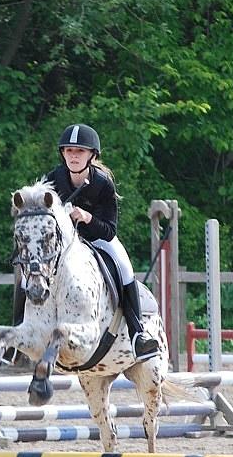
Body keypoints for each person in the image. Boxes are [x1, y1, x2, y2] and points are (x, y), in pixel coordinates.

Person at [43, 123, 159, 360]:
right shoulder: (53, 179)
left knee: (125, 269)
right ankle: (19, 328)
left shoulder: (102, 183)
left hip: (97, 239)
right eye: (69, 151)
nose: (74, 156)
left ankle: (138, 335)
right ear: (62, 154)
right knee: (29, 269)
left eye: (80, 151)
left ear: (92, 155)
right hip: (63, 246)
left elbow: (109, 230)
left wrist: (87, 218)